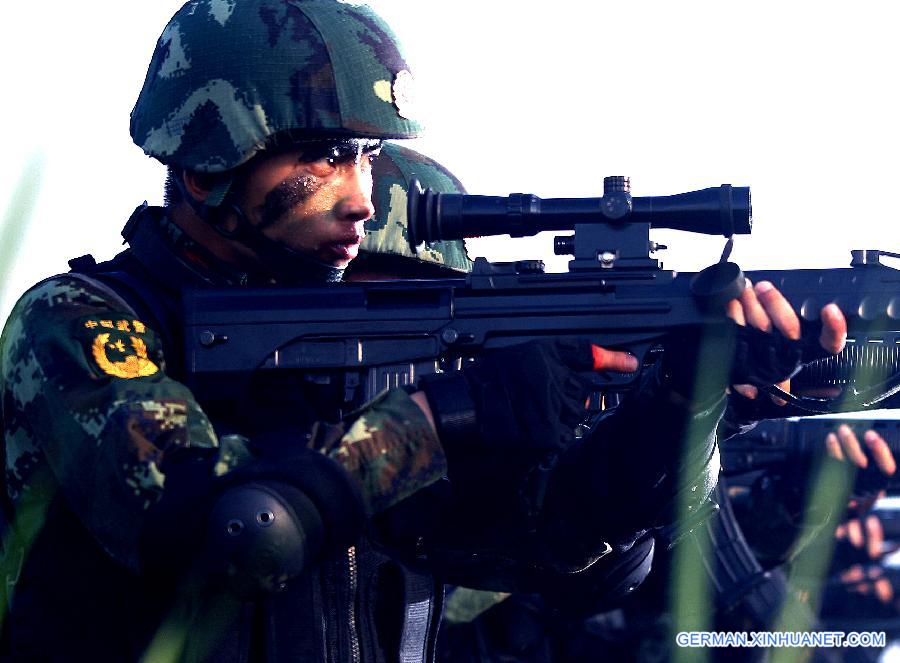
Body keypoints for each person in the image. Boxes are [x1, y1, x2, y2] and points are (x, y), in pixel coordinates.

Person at [0, 1, 846, 661]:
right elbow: (233, 530)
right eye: (324, 154)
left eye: (367, 155)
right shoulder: (83, 322)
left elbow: (559, 551)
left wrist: (677, 408)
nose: (364, 199)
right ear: (210, 155)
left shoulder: (341, 361)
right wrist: (450, 416)